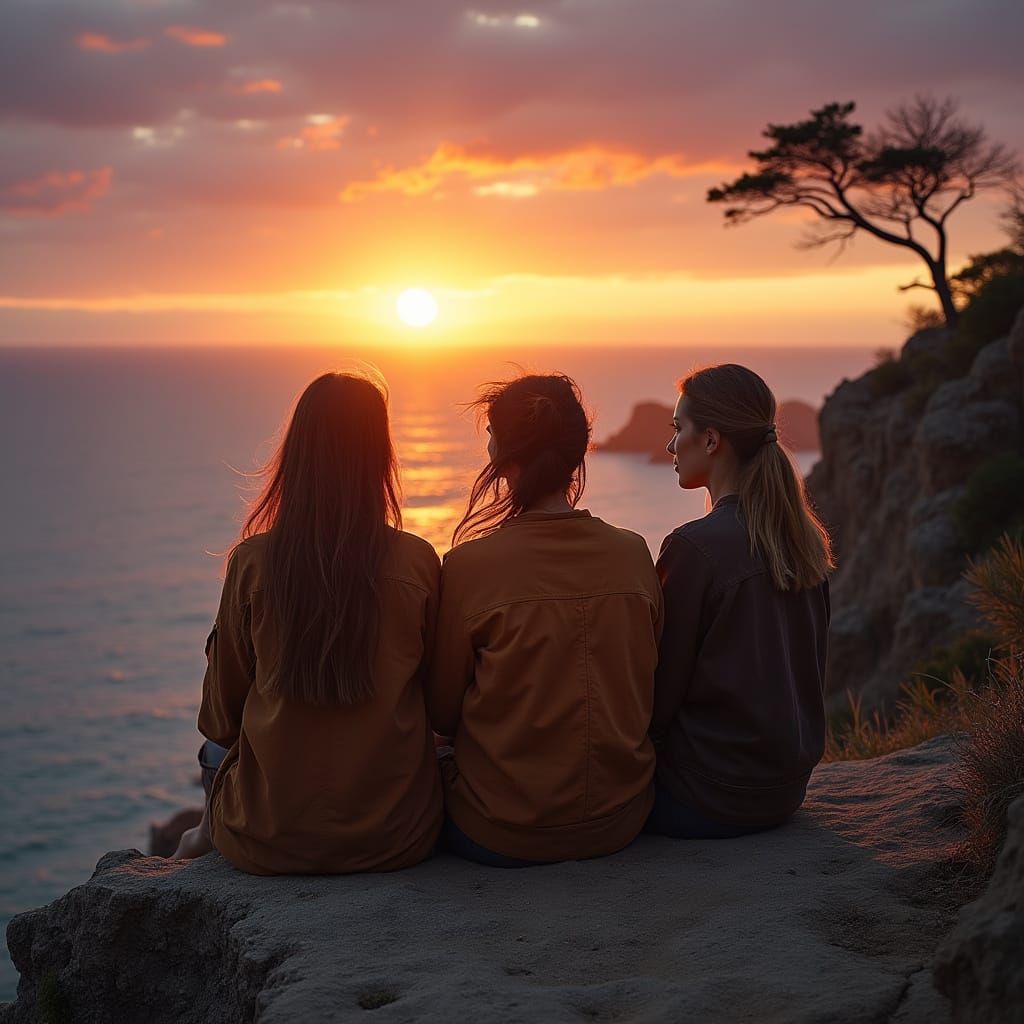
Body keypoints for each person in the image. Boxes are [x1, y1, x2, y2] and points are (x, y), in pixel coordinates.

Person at [173, 372, 443, 873]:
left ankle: (200, 835)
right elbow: (440, 706)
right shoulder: (418, 562)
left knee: (213, 752)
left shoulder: (253, 563)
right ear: (380, 457)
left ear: (296, 456)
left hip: (266, 841)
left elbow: (219, 721)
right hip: (396, 838)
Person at [428, 373, 663, 867]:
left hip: (500, 830)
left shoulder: (470, 566)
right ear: (579, 453)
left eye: (491, 431)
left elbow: (442, 712)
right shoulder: (633, 553)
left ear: (501, 452)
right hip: (620, 819)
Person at [648, 363, 833, 839]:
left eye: (678, 430)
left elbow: (659, 696)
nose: (670, 446)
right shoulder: (803, 540)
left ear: (711, 440)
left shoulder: (695, 548)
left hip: (705, 796)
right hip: (783, 790)